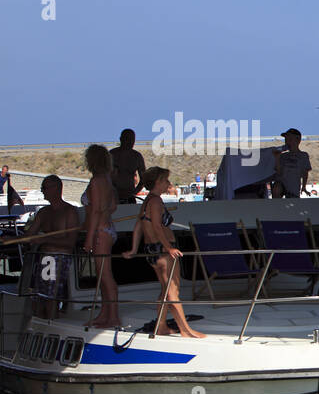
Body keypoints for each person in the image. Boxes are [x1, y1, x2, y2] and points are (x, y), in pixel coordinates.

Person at [124, 167, 204, 338]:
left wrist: (133, 248)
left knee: (165, 290)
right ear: (158, 181)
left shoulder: (147, 202)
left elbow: (139, 226)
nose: (168, 184)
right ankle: (186, 330)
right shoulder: (155, 202)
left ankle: (161, 326)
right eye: (166, 180)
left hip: (152, 250)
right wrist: (169, 247)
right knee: (173, 291)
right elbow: (156, 226)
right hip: (162, 251)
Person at [23, 175, 80, 319]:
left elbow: (70, 243)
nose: (42, 191)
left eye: (45, 187)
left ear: (56, 188)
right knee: (37, 300)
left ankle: (51, 323)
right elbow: (29, 235)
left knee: (51, 298)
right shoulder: (43, 212)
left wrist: (44, 239)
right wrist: (10, 239)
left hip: (58, 259)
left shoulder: (69, 211)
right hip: (44, 260)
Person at [82, 144, 121, 328]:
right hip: (108, 229)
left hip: (100, 231)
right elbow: (112, 207)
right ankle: (106, 314)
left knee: (105, 276)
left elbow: (96, 211)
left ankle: (113, 316)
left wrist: (89, 238)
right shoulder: (107, 180)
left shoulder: (97, 181)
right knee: (102, 275)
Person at [109, 129, 146, 205]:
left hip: (130, 196)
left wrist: (134, 192)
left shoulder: (137, 157)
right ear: (121, 139)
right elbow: (103, 175)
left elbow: (144, 179)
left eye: (132, 139)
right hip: (113, 196)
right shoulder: (112, 155)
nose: (130, 142)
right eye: (127, 139)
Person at [274, 129, 312, 198]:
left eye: (289, 138)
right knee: (277, 188)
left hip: (293, 188)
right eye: (286, 139)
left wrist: (303, 187)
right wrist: (277, 158)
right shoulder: (283, 156)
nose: (287, 141)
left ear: (298, 140)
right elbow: (278, 171)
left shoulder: (303, 155)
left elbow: (305, 172)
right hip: (281, 186)